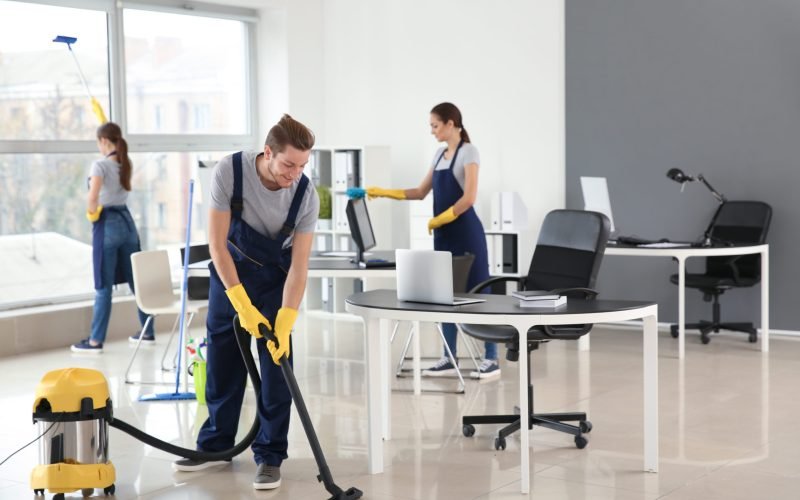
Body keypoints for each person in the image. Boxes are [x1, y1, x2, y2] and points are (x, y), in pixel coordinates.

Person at [172, 114, 319, 491]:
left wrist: (285, 319)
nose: (295, 175)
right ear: (268, 153)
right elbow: (217, 245)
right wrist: (240, 302)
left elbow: (299, 267)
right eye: (289, 164)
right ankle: (215, 447)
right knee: (223, 361)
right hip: (230, 273)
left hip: (275, 281)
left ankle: (270, 456)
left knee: (276, 370)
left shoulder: (306, 195)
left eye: (302, 166)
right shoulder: (230, 172)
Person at [367, 102, 499, 380]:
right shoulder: (439, 155)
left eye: (435, 125)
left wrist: (442, 218)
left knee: (479, 292)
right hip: (444, 235)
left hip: (466, 233)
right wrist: (384, 192)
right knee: (444, 294)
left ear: (451, 123)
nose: (432, 131)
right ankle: (448, 357)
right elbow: (419, 191)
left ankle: (491, 358)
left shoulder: (469, 152)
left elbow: (469, 198)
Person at [72, 122, 154, 353]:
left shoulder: (99, 165)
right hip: (127, 224)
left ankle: (95, 341)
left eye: (98, 142)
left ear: (104, 141)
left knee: (103, 287)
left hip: (107, 223)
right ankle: (148, 332)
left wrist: (91, 215)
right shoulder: (125, 162)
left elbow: (93, 197)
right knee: (137, 282)